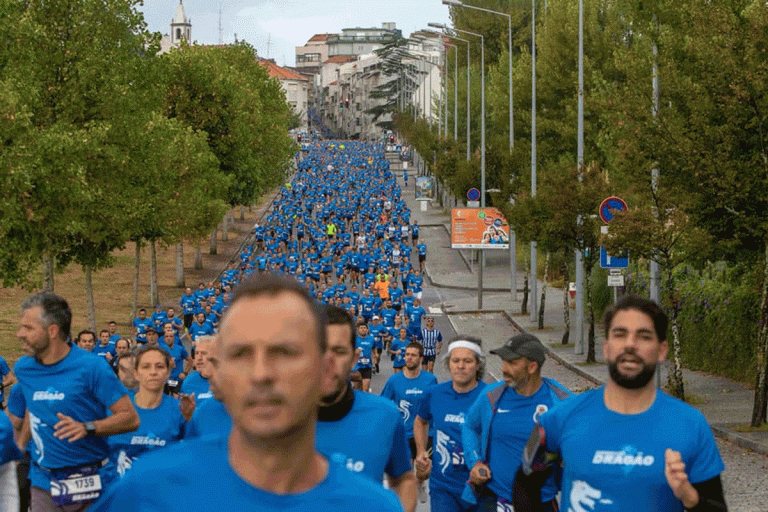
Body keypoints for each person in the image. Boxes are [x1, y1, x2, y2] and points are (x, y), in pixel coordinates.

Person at [90, 273, 403, 512]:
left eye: (285, 352)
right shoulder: (148, 491)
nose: (262, 374)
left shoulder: (372, 506)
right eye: (241, 354)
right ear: (219, 373)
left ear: (324, 370)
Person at [514, 295, 728, 512]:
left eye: (644, 336)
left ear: (662, 350)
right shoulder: (558, 418)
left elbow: (716, 507)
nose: (630, 345)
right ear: (606, 347)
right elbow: (524, 482)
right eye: (620, 334)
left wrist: (688, 496)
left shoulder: (690, 425)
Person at [14, 291, 140, 510]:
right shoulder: (24, 369)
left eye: (28, 328)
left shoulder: (92, 367)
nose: (19, 334)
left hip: (90, 482)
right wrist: (18, 447)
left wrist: (88, 427)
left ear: (52, 331)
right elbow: (33, 409)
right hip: (44, 482)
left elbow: (130, 418)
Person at [317, 305, 416, 512]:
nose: (328, 361)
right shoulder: (275, 419)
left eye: (339, 351)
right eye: (319, 349)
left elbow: (403, 479)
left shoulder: (385, 415)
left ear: (354, 358)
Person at [461, 333, 572, 511]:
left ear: (532, 367)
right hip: (494, 500)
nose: (503, 368)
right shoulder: (492, 396)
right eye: (504, 361)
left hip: (539, 503)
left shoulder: (561, 402)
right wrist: (474, 462)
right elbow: (469, 426)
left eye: (511, 363)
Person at [413, 336, 488, 512]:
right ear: (448, 364)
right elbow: (420, 421)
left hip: (482, 487)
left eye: (467, 361)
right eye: (455, 360)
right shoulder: (434, 394)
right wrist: (421, 451)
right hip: (443, 488)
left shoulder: (490, 396)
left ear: (478, 365)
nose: (460, 366)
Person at [109, 346, 185, 478]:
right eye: (146, 367)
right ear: (136, 374)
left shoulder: (180, 411)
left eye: (160, 366)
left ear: (168, 373)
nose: (153, 372)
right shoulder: (116, 409)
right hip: (121, 492)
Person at [380, 342, 438, 503]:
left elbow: (436, 404)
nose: (409, 358)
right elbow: (384, 404)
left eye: (413, 355)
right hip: (403, 434)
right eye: (407, 354)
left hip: (426, 434)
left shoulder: (430, 380)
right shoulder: (394, 381)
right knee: (406, 475)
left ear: (421, 358)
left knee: (424, 471)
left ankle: (421, 482)